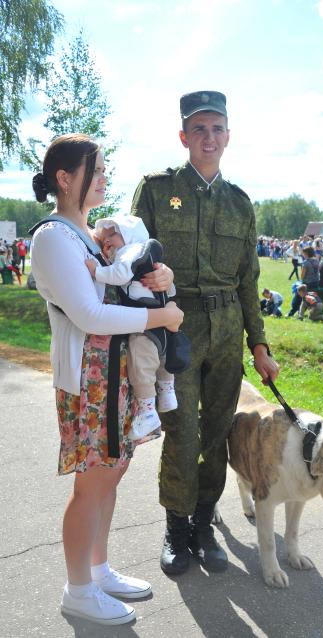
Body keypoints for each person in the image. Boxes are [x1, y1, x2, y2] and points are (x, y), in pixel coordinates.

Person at [30, 133, 184, 626]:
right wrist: (160, 319)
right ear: (65, 178)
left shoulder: (90, 233)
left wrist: (164, 281)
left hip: (114, 372)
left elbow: (130, 279)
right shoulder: (52, 236)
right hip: (88, 377)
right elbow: (91, 314)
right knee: (92, 483)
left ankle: (97, 569)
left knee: (111, 474)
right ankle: (78, 589)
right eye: (94, 170)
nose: (103, 178)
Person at [131, 90, 279, 576]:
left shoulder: (240, 203)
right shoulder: (155, 190)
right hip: (176, 326)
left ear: (228, 136)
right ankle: (176, 527)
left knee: (217, 433)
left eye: (217, 129)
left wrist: (259, 345)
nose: (208, 137)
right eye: (199, 129)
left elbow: (248, 279)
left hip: (226, 330)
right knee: (183, 430)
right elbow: (130, 259)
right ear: (184, 136)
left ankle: (203, 526)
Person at [85, 214, 178, 441]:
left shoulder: (130, 252)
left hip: (145, 320)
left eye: (112, 235)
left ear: (128, 235)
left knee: (141, 361)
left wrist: (97, 271)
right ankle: (167, 392)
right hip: (161, 314)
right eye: (105, 236)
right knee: (163, 356)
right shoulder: (142, 252)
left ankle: (148, 411)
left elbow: (120, 274)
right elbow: (171, 290)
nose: (107, 240)